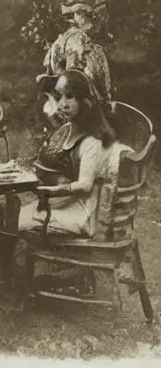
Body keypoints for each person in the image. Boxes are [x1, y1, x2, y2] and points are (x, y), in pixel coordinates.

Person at [16, 69, 131, 295]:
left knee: (16, 221)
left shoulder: (91, 140)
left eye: (71, 97)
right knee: (14, 212)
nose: (63, 104)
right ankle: (65, 276)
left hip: (83, 212)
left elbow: (85, 185)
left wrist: (49, 190)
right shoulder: (70, 129)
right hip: (69, 203)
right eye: (59, 97)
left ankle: (29, 286)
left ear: (85, 102)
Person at [39, 1, 112, 126]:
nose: (91, 23)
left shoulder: (93, 48)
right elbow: (73, 74)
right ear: (75, 17)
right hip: (75, 94)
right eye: (82, 15)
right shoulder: (75, 38)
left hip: (77, 92)